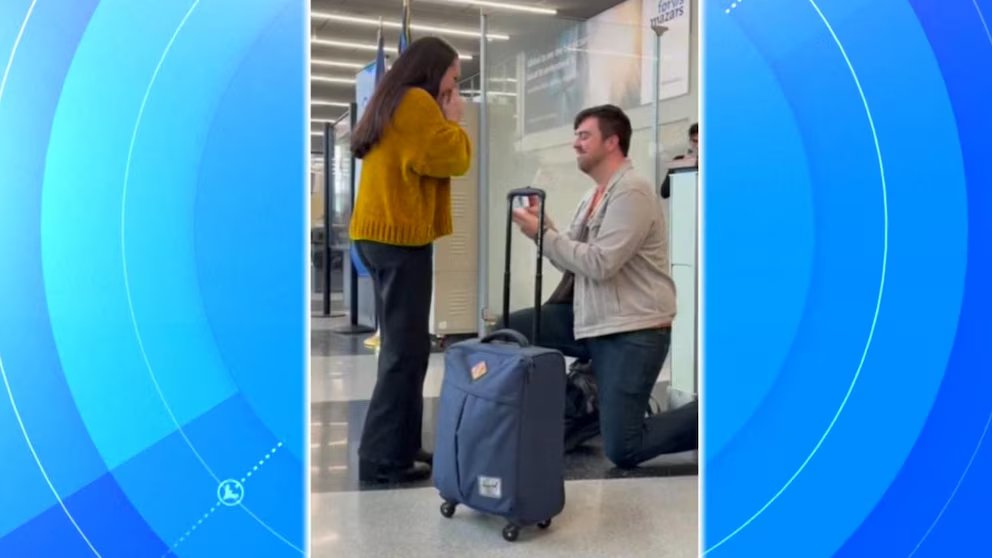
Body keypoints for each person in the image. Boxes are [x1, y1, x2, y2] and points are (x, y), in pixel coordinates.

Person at [509, 105, 697, 468]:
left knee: (624, 448)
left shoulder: (633, 192)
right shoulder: (592, 195)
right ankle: (581, 407)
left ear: (612, 142)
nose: (575, 144)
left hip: (632, 330)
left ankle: (717, 415)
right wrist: (544, 228)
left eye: (584, 136)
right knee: (509, 330)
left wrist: (544, 236)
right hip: (591, 316)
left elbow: (600, 263)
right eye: (576, 136)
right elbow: (572, 258)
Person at [349, 37, 471, 483]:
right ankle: (381, 460)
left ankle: (402, 445)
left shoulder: (392, 99)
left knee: (410, 347)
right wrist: (455, 121)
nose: (454, 90)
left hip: (378, 235)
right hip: (399, 240)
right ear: (433, 70)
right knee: (404, 353)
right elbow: (448, 158)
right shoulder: (417, 101)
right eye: (453, 79)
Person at [660, 122, 698, 199]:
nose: (698, 145)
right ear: (690, 141)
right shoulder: (679, 161)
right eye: (695, 141)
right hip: (682, 207)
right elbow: (664, 193)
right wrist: (683, 165)